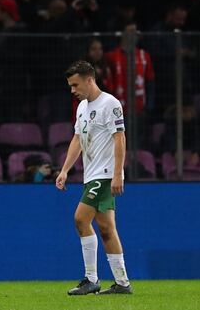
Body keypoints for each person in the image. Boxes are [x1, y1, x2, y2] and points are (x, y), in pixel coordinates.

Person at [57, 60, 132, 295]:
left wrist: (118, 173)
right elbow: (77, 139)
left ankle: (91, 279)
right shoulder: (82, 108)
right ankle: (122, 283)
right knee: (107, 228)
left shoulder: (110, 103)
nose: (72, 90)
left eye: (75, 85)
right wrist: (65, 170)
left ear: (90, 80)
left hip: (105, 174)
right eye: (70, 86)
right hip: (91, 175)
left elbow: (120, 138)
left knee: (80, 219)